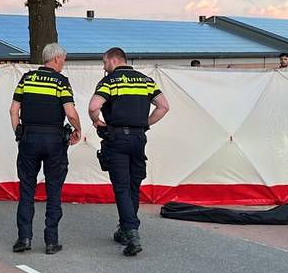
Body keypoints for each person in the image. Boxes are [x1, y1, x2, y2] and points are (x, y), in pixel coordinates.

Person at [88, 48, 169, 257]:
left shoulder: (110, 81)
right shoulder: (146, 80)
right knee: (134, 185)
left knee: (122, 187)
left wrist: (97, 121)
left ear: (114, 60)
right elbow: (164, 106)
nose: (104, 66)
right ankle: (126, 229)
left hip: (117, 138)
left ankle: (132, 233)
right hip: (139, 139)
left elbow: (93, 106)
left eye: (104, 61)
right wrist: (145, 124)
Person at [9, 43, 81, 254]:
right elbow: (70, 112)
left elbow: (13, 110)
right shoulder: (60, 81)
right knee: (54, 189)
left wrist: (19, 133)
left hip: (29, 138)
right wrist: (77, 129)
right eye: (63, 60)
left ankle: (24, 238)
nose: (63, 64)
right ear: (57, 59)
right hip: (54, 139)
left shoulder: (27, 79)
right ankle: (51, 241)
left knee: (26, 189)